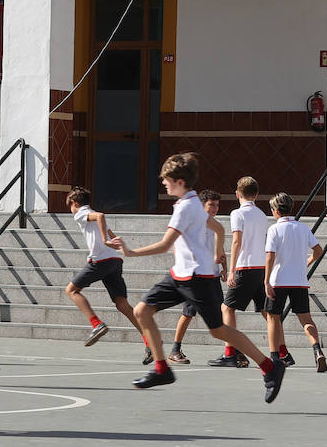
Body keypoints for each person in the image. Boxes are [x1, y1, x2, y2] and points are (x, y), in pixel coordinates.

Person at [109, 154, 285, 403]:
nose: (163, 183)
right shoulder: (192, 202)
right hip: (181, 274)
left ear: (179, 181)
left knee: (219, 331)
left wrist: (130, 251)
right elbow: (219, 229)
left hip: (196, 279)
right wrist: (217, 250)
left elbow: (164, 244)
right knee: (142, 311)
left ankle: (270, 367)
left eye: (166, 180)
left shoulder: (186, 207)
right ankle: (162, 369)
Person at [64, 186, 141, 348]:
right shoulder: (93, 215)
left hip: (100, 261)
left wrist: (105, 241)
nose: (71, 210)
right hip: (114, 261)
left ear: (74, 203)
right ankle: (150, 339)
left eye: (70, 206)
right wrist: (118, 246)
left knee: (71, 290)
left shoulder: (81, 214)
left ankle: (96, 324)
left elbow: (101, 216)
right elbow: (113, 234)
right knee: (122, 305)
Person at [210, 176, 271, 367]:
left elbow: (237, 241)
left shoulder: (237, 214)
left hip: (245, 267)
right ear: (257, 194)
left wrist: (231, 271)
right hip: (261, 267)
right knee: (267, 312)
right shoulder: (262, 215)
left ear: (237, 193)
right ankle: (279, 350)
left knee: (226, 308)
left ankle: (230, 353)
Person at [263, 192, 326, 372]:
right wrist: (308, 261)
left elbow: (270, 257)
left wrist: (266, 281)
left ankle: (275, 356)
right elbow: (318, 250)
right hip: (299, 281)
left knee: (273, 317)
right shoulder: (303, 228)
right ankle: (317, 350)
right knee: (306, 319)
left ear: (275, 211)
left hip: (279, 280)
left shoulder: (274, 229)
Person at [167, 189, 225, 365]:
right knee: (188, 313)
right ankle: (175, 349)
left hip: (212, 275)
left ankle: (231, 351)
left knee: (223, 312)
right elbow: (176, 245)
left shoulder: (215, 225)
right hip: (195, 276)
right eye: (211, 205)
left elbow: (221, 251)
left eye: (216, 205)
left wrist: (225, 269)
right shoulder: (193, 224)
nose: (214, 208)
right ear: (202, 205)